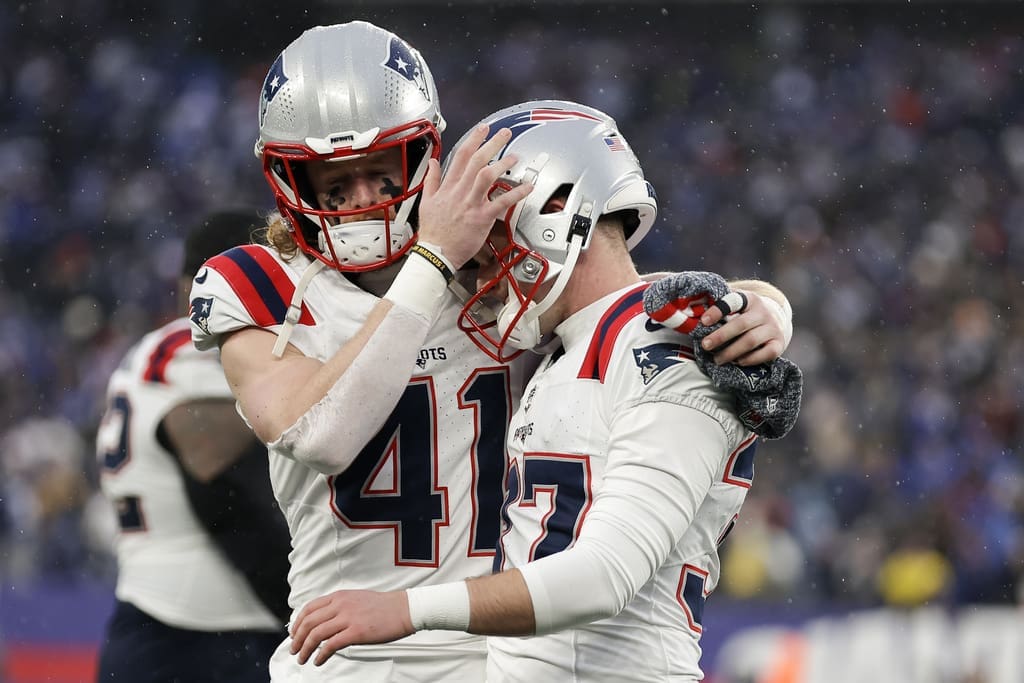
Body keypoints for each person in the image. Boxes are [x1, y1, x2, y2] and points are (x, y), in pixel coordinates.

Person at [190, 23, 793, 681]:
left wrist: (758, 305)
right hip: (348, 656)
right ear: (288, 178)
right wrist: (433, 259)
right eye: (332, 182)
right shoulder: (259, 282)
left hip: (496, 648)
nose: (361, 201)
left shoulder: (486, 265)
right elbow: (319, 430)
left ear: (421, 155)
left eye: (378, 171)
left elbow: (607, 292)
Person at [95, 209, 292, 682]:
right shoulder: (195, 352)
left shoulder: (151, 350)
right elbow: (221, 491)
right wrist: (295, 603)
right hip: (206, 631)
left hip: (157, 619)